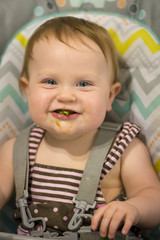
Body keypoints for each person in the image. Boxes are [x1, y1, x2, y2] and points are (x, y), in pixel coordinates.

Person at [0, 16, 160, 239]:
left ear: (110, 96)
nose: (66, 96)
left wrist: (135, 208)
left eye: (83, 84)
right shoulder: (15, 150)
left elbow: (153, 197)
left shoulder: (124, 149)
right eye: (50, 81)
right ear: (27, 90)